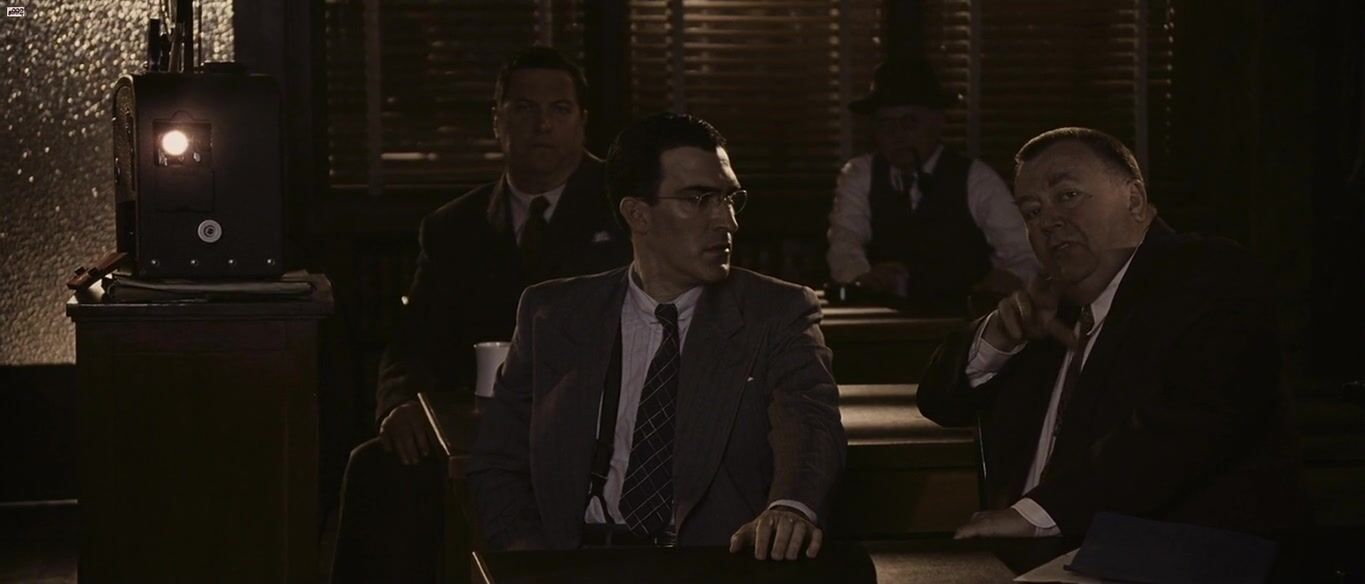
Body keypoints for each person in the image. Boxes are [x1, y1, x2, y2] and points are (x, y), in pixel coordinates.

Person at [466, 112, 846, 560]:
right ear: (638, 214)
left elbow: (811, 420)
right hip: (577, 560)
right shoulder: (552, 313)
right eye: (699, 199)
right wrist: (530, 559)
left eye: (729, 198)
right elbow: (497, 461)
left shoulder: (777, 312)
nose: (727, 222)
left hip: (711, 565)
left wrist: (791, 506)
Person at [330, 47, 630, 583]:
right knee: (377, 465)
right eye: (524, 109)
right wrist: (401, 404)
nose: (542, 125)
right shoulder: (452, 227)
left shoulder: (631, 211)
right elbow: (412, 343)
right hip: (478, 428)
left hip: (598, 425)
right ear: (497, 120)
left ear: (583, 120)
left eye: (559, 109)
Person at [916, 127, 1302, 538]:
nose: (1048, 221)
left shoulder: (1209, 275)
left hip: (1170, 553)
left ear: (1134, 199)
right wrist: (1000, 337)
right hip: (1028, 556)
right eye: (1031, 211)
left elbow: (1191, 425)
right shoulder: (1048, 308)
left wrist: (1037, 514)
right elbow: (941, 402)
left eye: (1067, 195)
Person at [827, 59, 1037, 313]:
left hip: (962, 321)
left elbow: (1026, 253)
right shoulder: (859, 174)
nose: (897, 135)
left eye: (909, 122)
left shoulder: (976, 178)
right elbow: (844, 239)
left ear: (938, 122)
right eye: (885, 124)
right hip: (884, 322)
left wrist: (1010, 278)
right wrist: (861, 278)